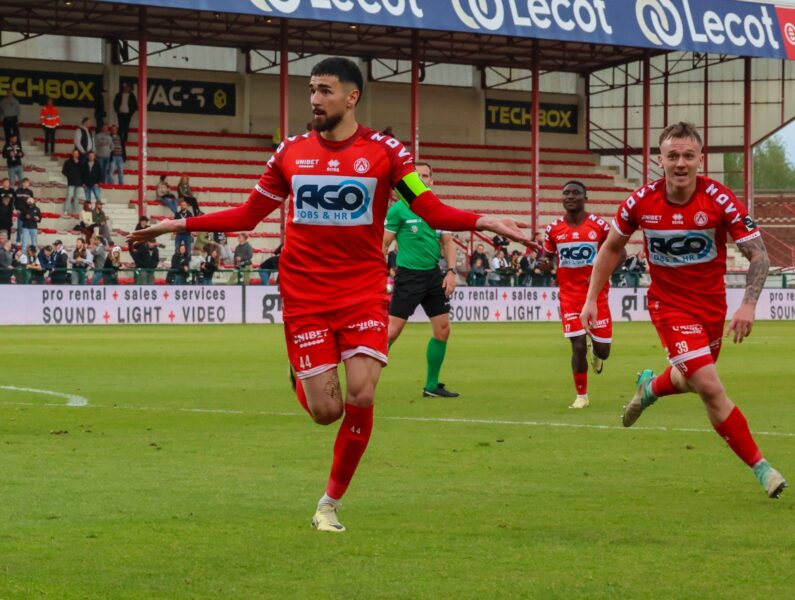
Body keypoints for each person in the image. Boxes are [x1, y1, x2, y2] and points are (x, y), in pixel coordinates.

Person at [127, 56, 529, 534]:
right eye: (311, 90)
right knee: (326, 412)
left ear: (352, 97)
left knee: (362, 391)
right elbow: (248, 215)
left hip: (362, 291)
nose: (315, 100)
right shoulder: (290, 153)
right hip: (305, 296)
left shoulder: (387, 153)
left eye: (325, 91)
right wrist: (177, 225)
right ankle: (300, 374)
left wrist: (484, 220)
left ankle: (329, 504)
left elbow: (430, 207)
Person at [580, 121, 787, 499]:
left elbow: (758, 254)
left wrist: (748, 304)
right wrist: (592, 298)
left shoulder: (720, 199)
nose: (680, 163)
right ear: (659, 160)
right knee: (709, 386)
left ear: (700, 160)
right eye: (672, 155)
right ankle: (763, 469)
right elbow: (611, 247)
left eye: (688, 156)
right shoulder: (640, 202)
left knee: (690, 379)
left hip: (712, 308)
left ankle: (649, 388)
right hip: (669, 307)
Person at [383, 161, 461, 398]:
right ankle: (363, 377)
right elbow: (384, 244)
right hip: (408, 276)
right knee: (391, 332)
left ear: (432, 181)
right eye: (417, 176)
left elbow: (448, 243)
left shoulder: (438, 208)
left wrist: (451, 272)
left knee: (443, 329)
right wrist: (380, 272)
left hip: (433, 276)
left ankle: (431, 386)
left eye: (426, 176)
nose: (422, 179)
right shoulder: (399, 209)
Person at [541, 181, 617, 409]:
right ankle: (581, 396)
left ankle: (597, 352)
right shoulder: (553, 229)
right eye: (566, 193)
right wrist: (544, 263)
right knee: (577, 346)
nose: (570, 196)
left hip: (597, 295)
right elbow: (546, 257)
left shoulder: (600, 226)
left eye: (575, 193)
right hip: (569, 297)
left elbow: (619, 252)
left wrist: (605, 271)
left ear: (586, 198)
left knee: (604, 351)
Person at [113, 82, 137, 154]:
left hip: (128, 114)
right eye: (126, 87)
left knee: (126, 126)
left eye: (128, 87)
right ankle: (120, 139)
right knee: (120, 126)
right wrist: (117, 110)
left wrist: (131, 112)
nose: (127, 88)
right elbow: (115, 103)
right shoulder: (119, 94)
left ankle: (125, 139)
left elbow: (135, 105)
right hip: (120, 113)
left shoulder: (132, 95)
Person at [62, 149, 84, 217]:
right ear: (72, 154)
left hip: (79, 182)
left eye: (77, 153)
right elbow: (64, 171)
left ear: (78, 154)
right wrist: (69, 176)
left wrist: (83, 182)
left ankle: (75, 212)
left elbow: (84, 172)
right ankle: (66, 211)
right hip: (71, 182)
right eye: (74, 153)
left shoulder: (81, 162)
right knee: (69, 197)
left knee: (76, 198)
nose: (75, 154)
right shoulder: (68, 162)